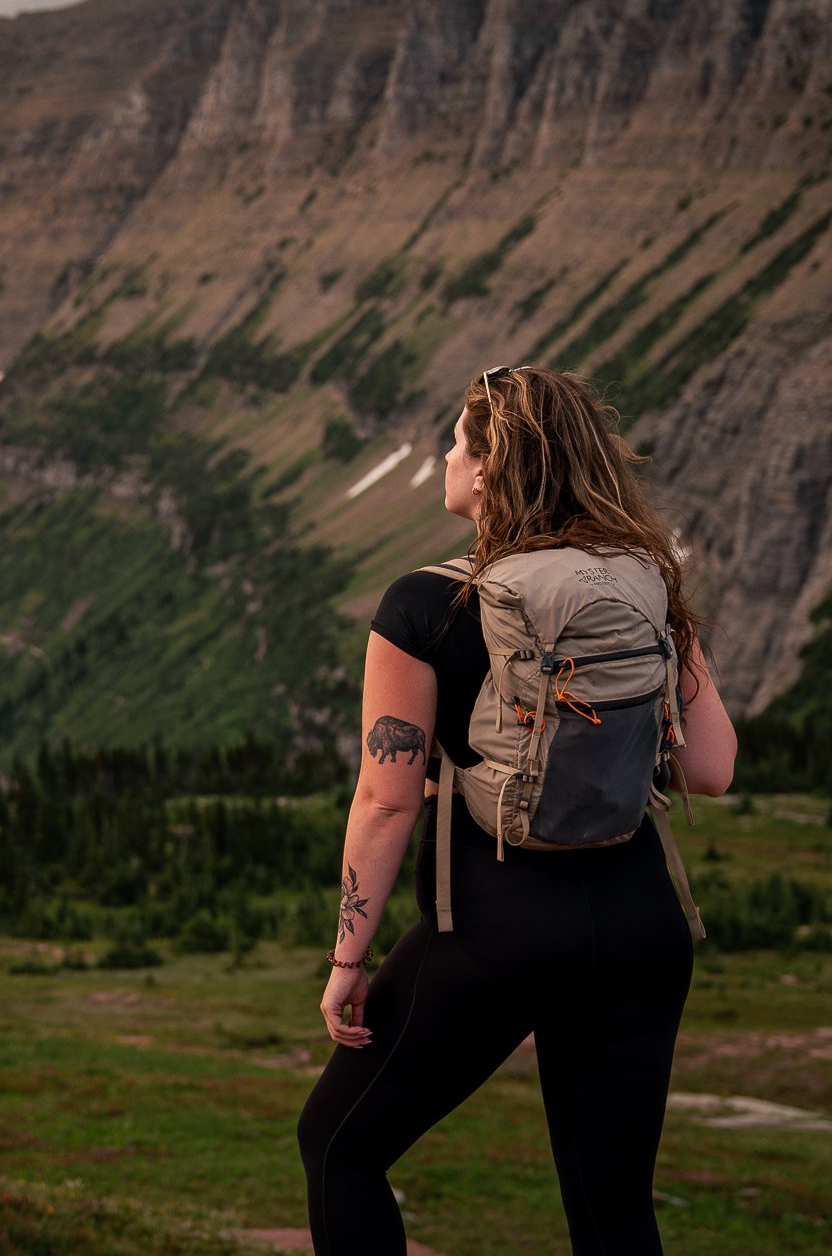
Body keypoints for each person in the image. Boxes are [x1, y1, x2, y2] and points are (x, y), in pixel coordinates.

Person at [296, 364, 737, 1254]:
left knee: (340, 1147)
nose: (445, 457)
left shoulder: (425, 603)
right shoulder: (645, 578)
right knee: (612, 1208)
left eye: (457, 442)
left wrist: (349, 957)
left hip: (496, 930)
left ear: (492, 466)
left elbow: (387, 801)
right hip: (639, 926)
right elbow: (712, 768)